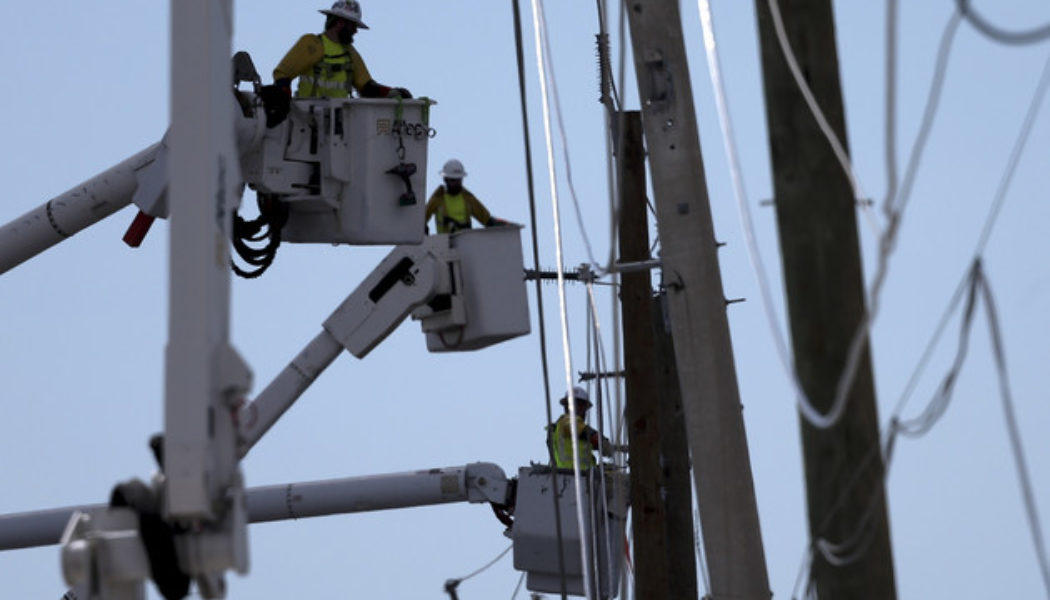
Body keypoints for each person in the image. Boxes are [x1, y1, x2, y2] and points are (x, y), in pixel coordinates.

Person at [260, 1, 411, 126]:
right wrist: (283, 96)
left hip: (338, 123)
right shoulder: (312, 44)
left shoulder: (350, 54)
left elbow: (366, 87)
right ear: (339, 23)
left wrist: (391, 92)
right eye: (352, 26)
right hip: (306, 120)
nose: (355, 31)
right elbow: (283, 73)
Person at [424, 159, 504, 234]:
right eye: (453, 180)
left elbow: (486, 219)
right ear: (445, 179)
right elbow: (421, 221)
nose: (456, 183)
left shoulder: (468, 198)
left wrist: (504, 226)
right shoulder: (438, 199)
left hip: (464, 243)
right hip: (444, 245)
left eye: (458, 180)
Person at [547, 387, 615, 470]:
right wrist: (602, 441)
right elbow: (585, 432)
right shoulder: (566, 422)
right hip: (574, 476)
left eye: (581, 405)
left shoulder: (563, 429)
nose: (579, 409)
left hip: (577, 476)